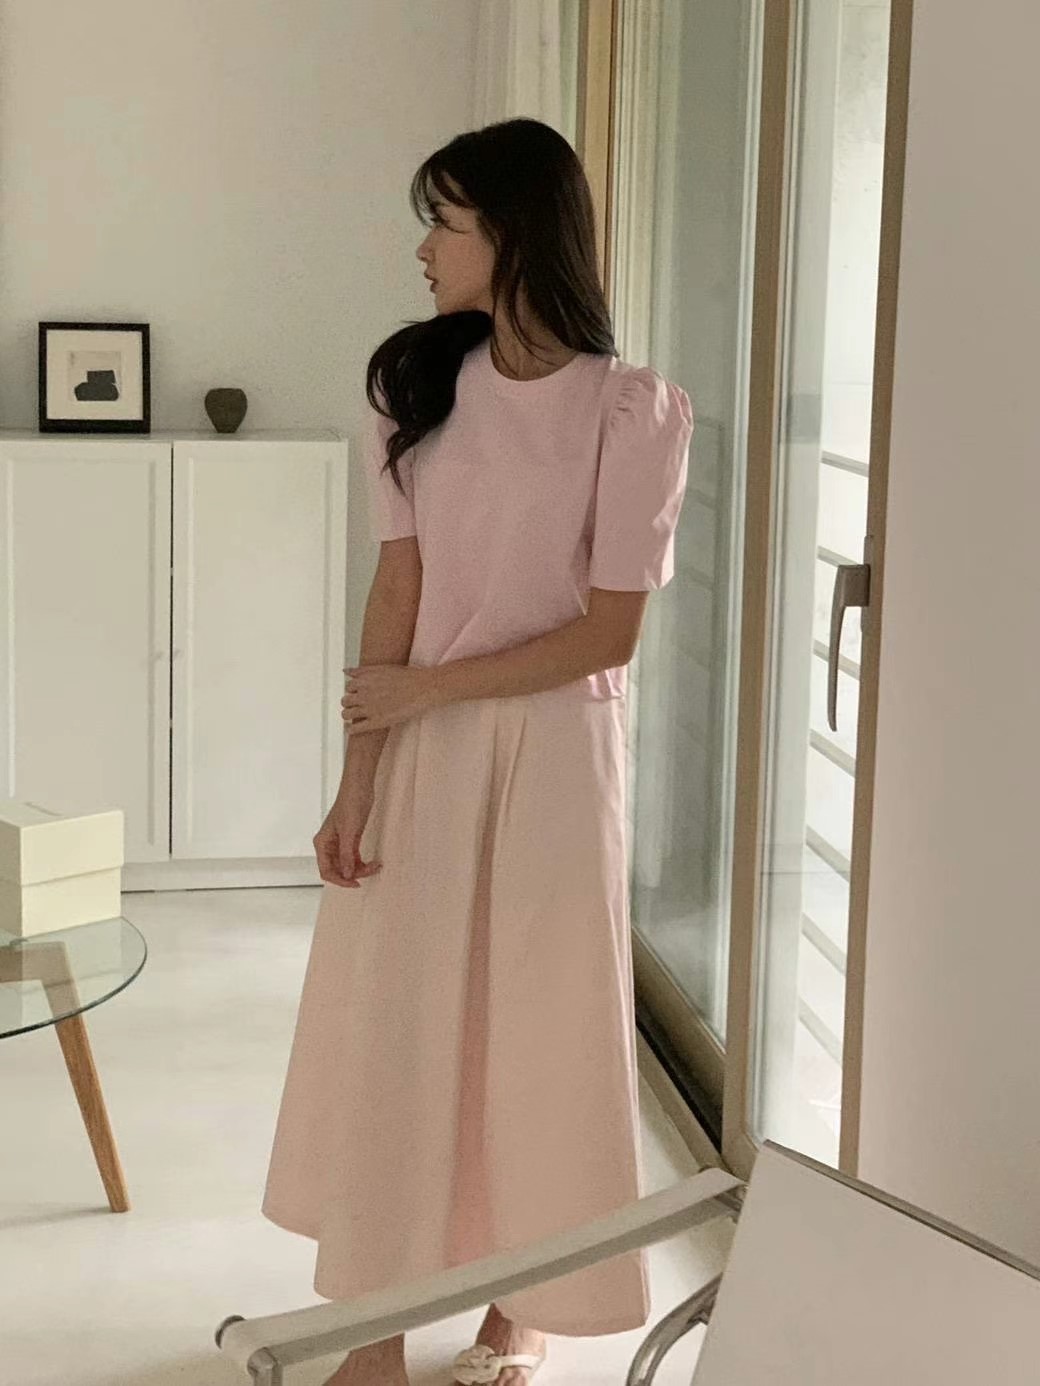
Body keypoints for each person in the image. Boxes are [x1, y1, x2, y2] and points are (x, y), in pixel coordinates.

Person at [261, 117, 694, 1386]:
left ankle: (522, 1309)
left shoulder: (631, 410)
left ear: (511, 233)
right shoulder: (413, 390)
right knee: (400, 1035)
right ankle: (376, 1330)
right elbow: (397, 587)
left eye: (443, 223)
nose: (423, 249)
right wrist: (357, 777)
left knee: (537, 1043)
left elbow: (606, 632)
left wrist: (426, 692)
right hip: (426, 751)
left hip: (557, 758)